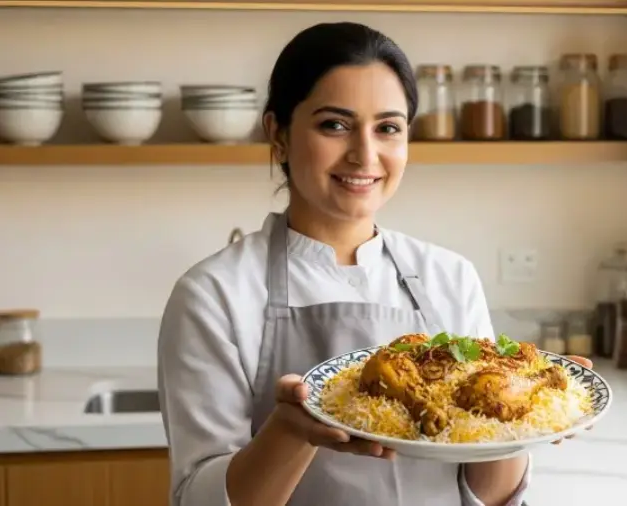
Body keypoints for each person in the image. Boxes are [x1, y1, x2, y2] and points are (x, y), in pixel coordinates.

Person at [157, 21, 591, 506]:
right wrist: (290, 431)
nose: (365, 155)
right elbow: (197, 497)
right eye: (334, 125)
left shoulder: (449, 277)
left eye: (388, 128)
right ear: (277, 134)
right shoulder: (214, 294)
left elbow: (488, 498)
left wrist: (525, 411)